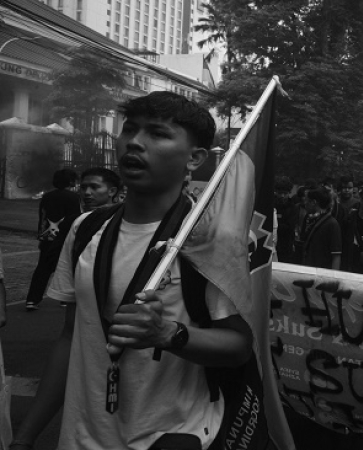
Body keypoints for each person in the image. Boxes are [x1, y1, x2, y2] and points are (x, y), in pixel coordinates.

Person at [10, 91, 252, 450]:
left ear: (195, 158)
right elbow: (72, 336)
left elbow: (239, 346)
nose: (135, 143)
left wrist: (169, 333)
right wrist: (25, 437)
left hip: (169, 436)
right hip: (80, 436)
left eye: (157, 133)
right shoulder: (86, 228)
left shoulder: (210, 239)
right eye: (130, 130)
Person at [25, 169, 81, 311]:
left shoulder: (47, 196)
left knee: (42, 269)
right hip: (65, 238)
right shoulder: (74, 197)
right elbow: (75, 219)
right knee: (67, 268)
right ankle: (65, 298)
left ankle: (32, 299)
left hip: (48, 237)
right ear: (71, 181)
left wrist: (42, 236)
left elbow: (43, 217)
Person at [301, 186, 342, 270]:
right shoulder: (308, 219)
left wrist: (333, 277)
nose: (305, 203)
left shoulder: (332, 224)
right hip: (308, 269)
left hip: (322, 273)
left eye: (307, 201)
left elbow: (336, 255)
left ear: (314, 202)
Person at [274, 176, 299, 263]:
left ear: (289, 193)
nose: (282, 196)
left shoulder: (293, 208)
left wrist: (275, 225)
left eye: (285, 193)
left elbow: (289, 227)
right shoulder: (271, 205)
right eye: (280, 193)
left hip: (285, 248)